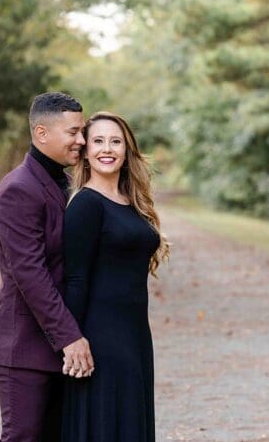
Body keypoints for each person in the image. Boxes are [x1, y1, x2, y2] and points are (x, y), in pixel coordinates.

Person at [0, 92, 95, 442]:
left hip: (57, 347)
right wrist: (70, 338)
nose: (82, 140)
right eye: (73, 132)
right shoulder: (19, 190)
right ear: (42, 133)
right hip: (25, 348)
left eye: (82, 132)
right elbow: (30, 274)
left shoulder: (66, 183)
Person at [60, 112, 170, 442]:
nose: (107, 149)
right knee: (106, 425)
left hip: (135, 333)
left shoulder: (131, 202)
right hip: (100, 337)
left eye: (115, 141)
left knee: (130, 424)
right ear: (86, 151)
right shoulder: (86, 205)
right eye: (98, 141)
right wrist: (71, 342)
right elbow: (76, 279)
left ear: (126, 150)